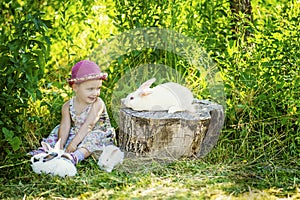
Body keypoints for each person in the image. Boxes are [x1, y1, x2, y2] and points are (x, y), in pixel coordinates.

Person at [29, 60, 115, 165]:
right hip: (77, 133)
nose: (95, 93)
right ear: (75, 87)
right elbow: (65, 126)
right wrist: (60, 145)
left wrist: (73, 144)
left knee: (93, 137)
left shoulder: (98, 103)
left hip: (97, 134)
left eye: (98, 88)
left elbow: (89, 126)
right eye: (90, 89)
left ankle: (76, 156)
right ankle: (51, 150)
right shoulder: (67, 106)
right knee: (58, 129)